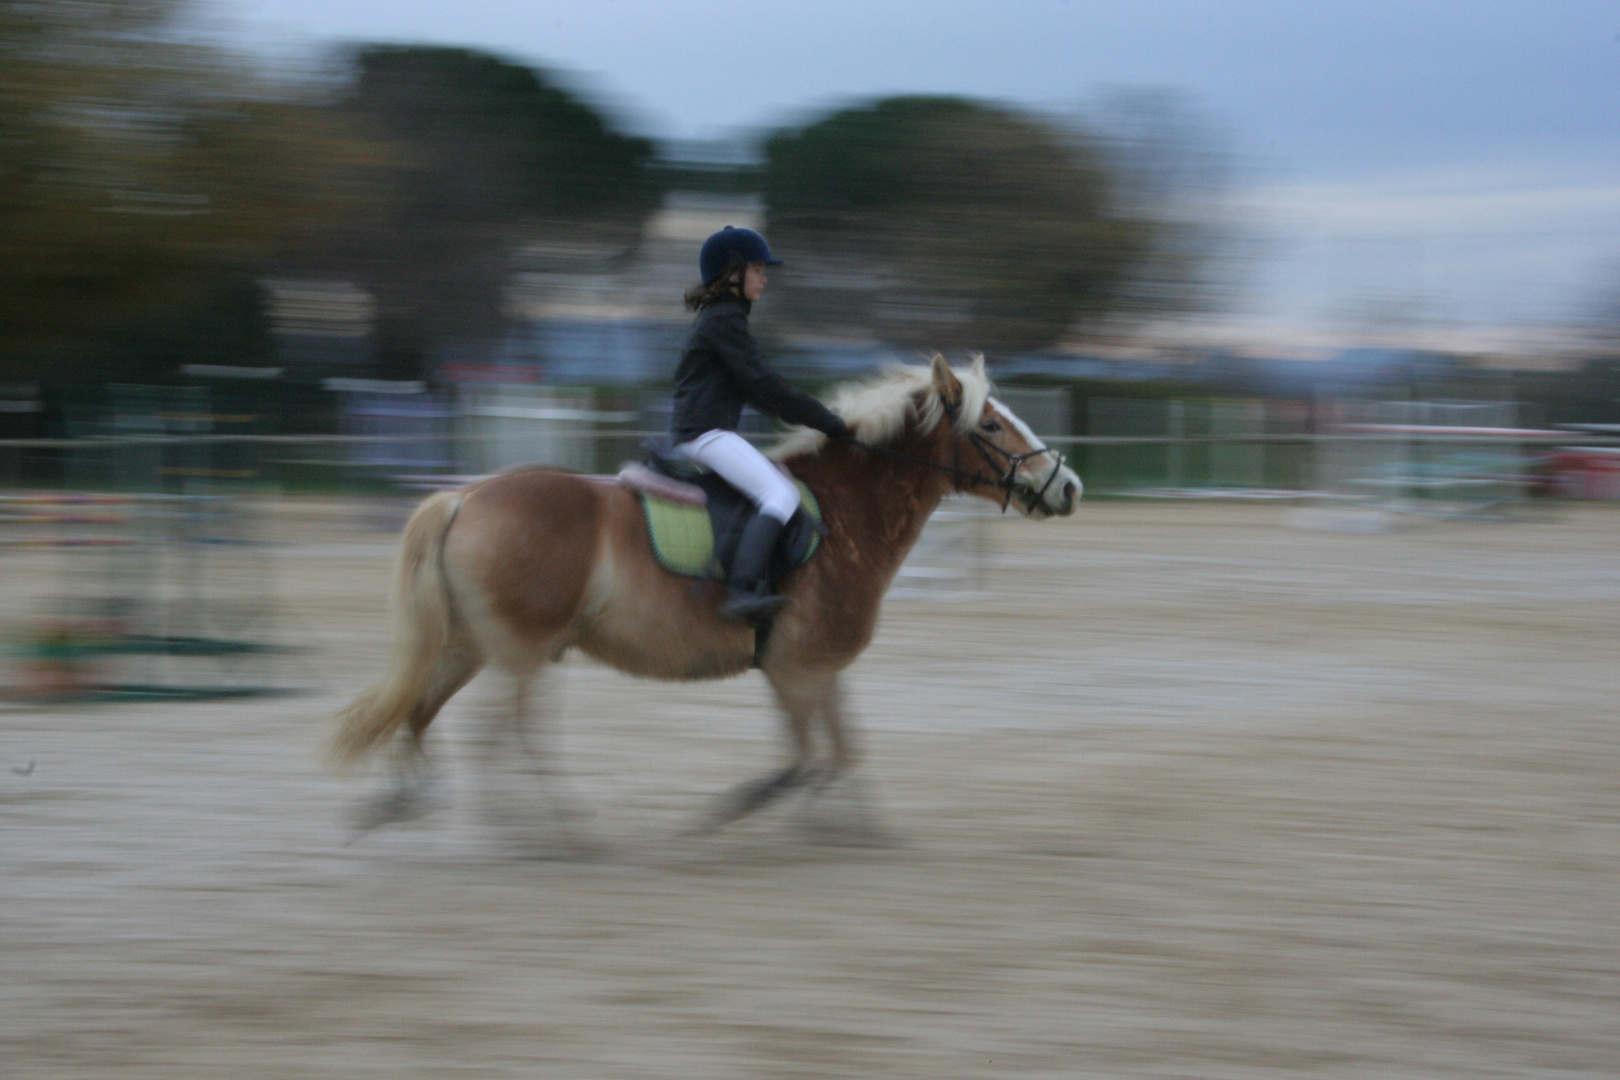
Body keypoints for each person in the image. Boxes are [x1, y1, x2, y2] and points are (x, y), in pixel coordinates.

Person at [670, 226, 851, 623]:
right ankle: (739, 592)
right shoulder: (724, 320)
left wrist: (808, 415)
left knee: (764, 493)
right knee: (781, 494)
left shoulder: (723, 318)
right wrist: (828, 422)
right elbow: (764, 384)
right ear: (731, 272)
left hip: (704, 430)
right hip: (706, 433)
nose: (764, 277)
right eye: (756, 268)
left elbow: (757, 390)